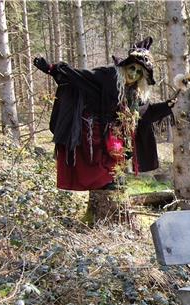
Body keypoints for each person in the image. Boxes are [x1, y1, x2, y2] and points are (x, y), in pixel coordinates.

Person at [34, 37, 174, 191]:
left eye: (139, 72)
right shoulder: (108, 76)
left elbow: (146, 113)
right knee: (98, 158)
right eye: (132, 68)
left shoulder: (135, 94)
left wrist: (168, 106)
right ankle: (103, 182)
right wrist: (51, 68)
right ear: (126, 66)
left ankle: (111, 180)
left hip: (114, 133)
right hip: (92, 128)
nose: (134, 74)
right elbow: (80, 76)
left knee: (116, 155)